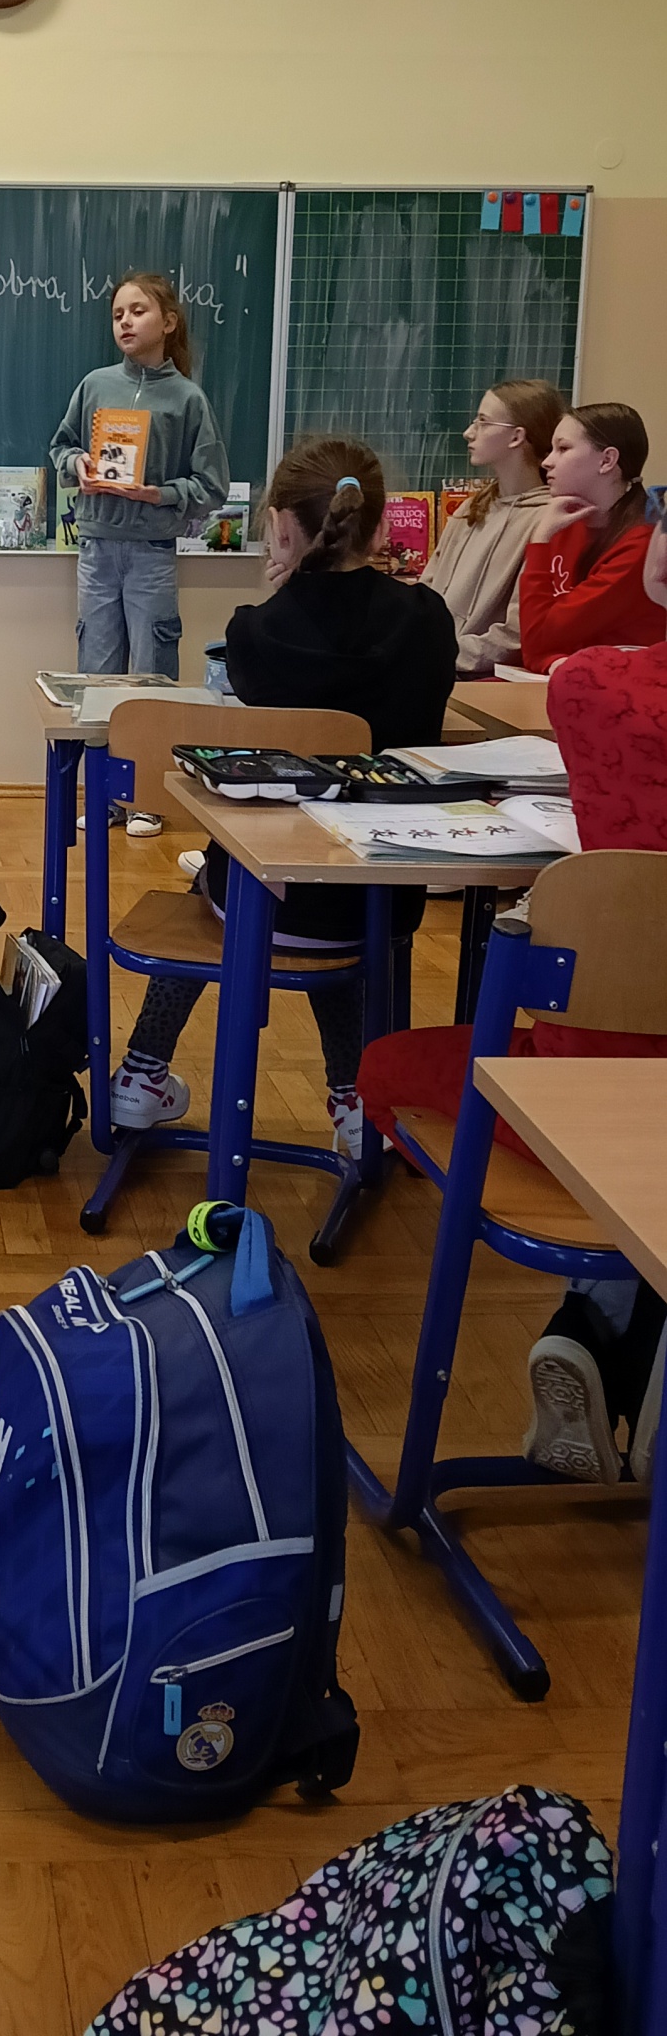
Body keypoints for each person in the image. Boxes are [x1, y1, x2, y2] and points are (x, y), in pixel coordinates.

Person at [359, 511, 667, 1484]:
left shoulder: (596, 687)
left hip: (595, 1089)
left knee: (390, 1064)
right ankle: (616, 1339)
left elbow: (556, 644)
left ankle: (602, 1330)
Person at [110, 435, 458, 1154]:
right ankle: (356, 1100)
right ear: (379, 524)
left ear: (278, 526)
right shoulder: (428, 620)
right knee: (338, 887)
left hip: (263, 903)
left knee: (238, 870)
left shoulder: (255, 631)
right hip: (385, 898)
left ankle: (142, 1074)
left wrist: (283, 591)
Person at [50, 274, 228, 836]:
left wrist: (161, 494)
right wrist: (77, 464)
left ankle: (147, 798)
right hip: (97, 548)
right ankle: (105, 798)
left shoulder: (187, 399)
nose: (125, 321)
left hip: (152, 552)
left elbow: (212, 486)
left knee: (152, 676)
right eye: (117, 314)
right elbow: (61, 447)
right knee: (98, 677)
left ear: (168, 322)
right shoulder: (96, 385)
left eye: (138, 311)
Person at [418, 379, 561, 675]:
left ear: (517, 436)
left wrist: (434, 656)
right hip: (432, 666)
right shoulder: (472, 508)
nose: (469, 432)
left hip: (473, 678)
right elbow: (426, 593)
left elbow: (514, 636)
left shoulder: (548, 521)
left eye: (483, 422)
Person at [517, 402, 663, 671]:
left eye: (563, 448)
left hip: (619, 685)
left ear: (607, 461)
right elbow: (532, 642)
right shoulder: (564, 522)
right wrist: (550, 661)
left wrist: (539, 543)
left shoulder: (642, 545)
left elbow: (538, 639)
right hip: (566, 678)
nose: (546, 462)